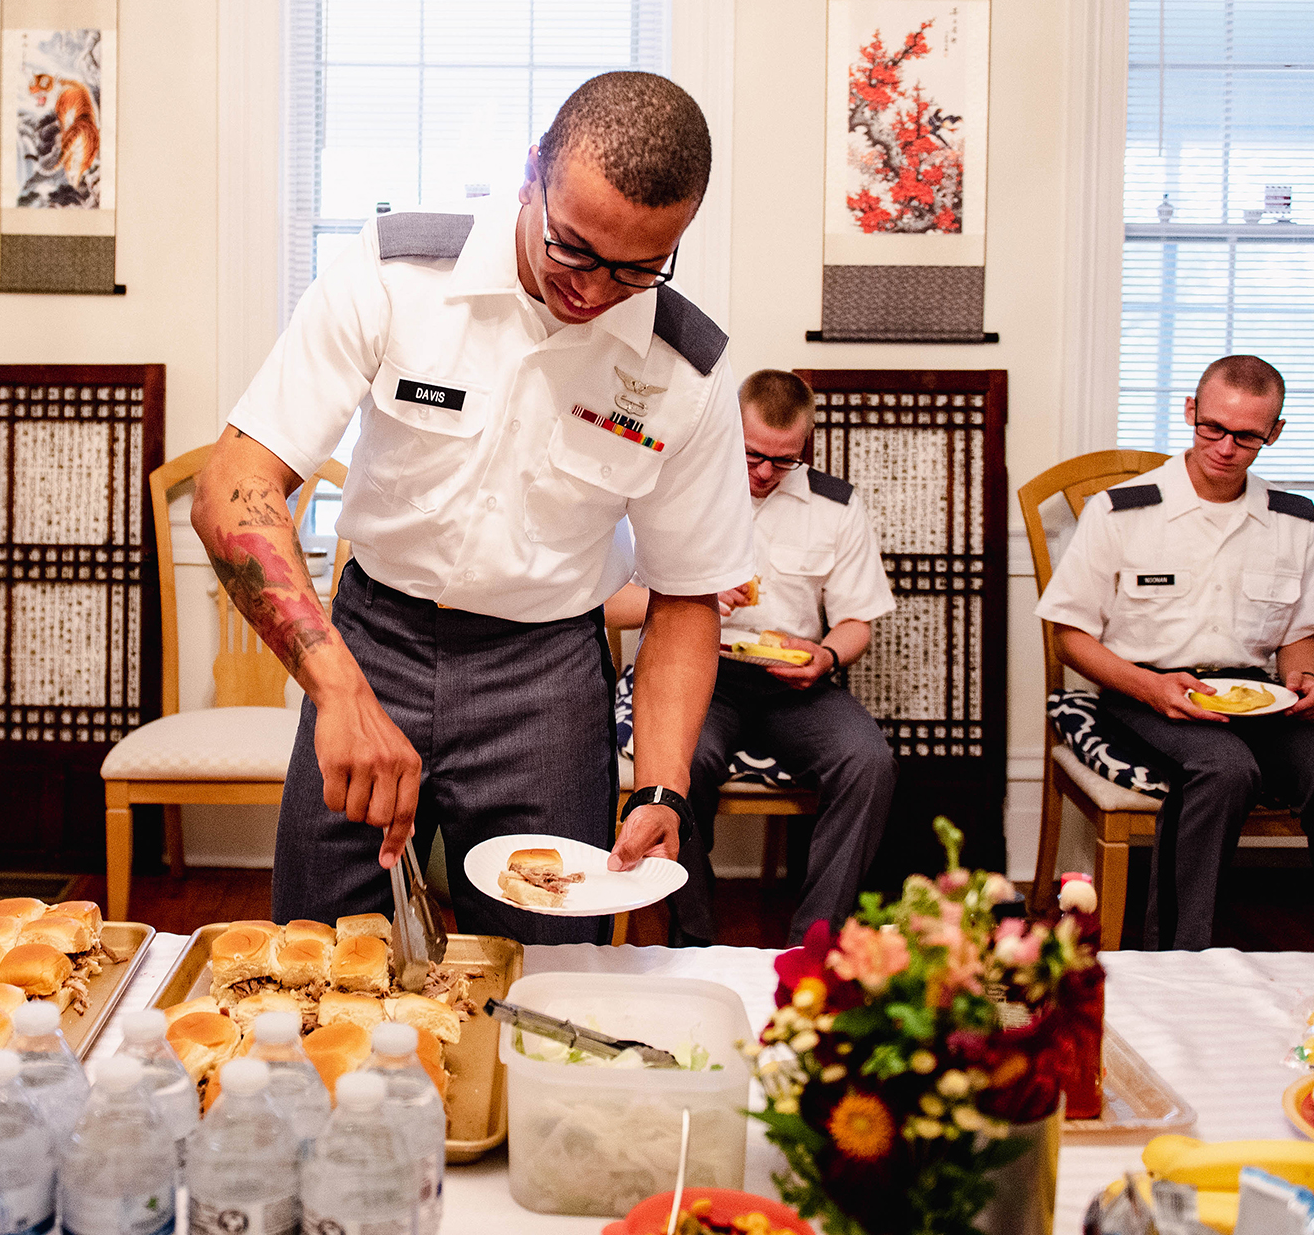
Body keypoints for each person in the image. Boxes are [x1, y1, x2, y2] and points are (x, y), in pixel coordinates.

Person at [190, 72, 755, 944]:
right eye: (573, 248)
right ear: (531, 172)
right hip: (372, 641)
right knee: (317, 954)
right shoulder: (398, 272)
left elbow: (686, 594)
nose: (596, 290)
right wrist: (337, 690)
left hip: (548, 679)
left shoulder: (686, 374)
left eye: (638, 268)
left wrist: (662, 784)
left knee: (543, 978)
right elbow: (234, 487)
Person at [1033, 355, 1314, 950]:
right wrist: (1153, 689)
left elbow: (1297, 634)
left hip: (1257, 695)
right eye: (1213, 428)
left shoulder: (1294, 521)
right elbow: (1071, 636)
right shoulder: (1123, 511)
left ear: (1273, 434)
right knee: (1226, 770)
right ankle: (1179, 958)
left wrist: (1305, 681)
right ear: (1190, 412)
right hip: (1144, 691)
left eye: (1247, 436)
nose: (1225, 447)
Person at [605, 370, 897, 947]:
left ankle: (816, 942)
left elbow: (858, 619)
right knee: (679, 770)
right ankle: (696, 943)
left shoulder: (833, 506)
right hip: (694, 677)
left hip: (794, 685)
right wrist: (691, 598)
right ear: (730, 429)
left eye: (782, 461)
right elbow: (609, 602)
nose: (764, 473)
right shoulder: (673, 488)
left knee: (870, 763)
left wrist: (828, 654)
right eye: (752, 455)